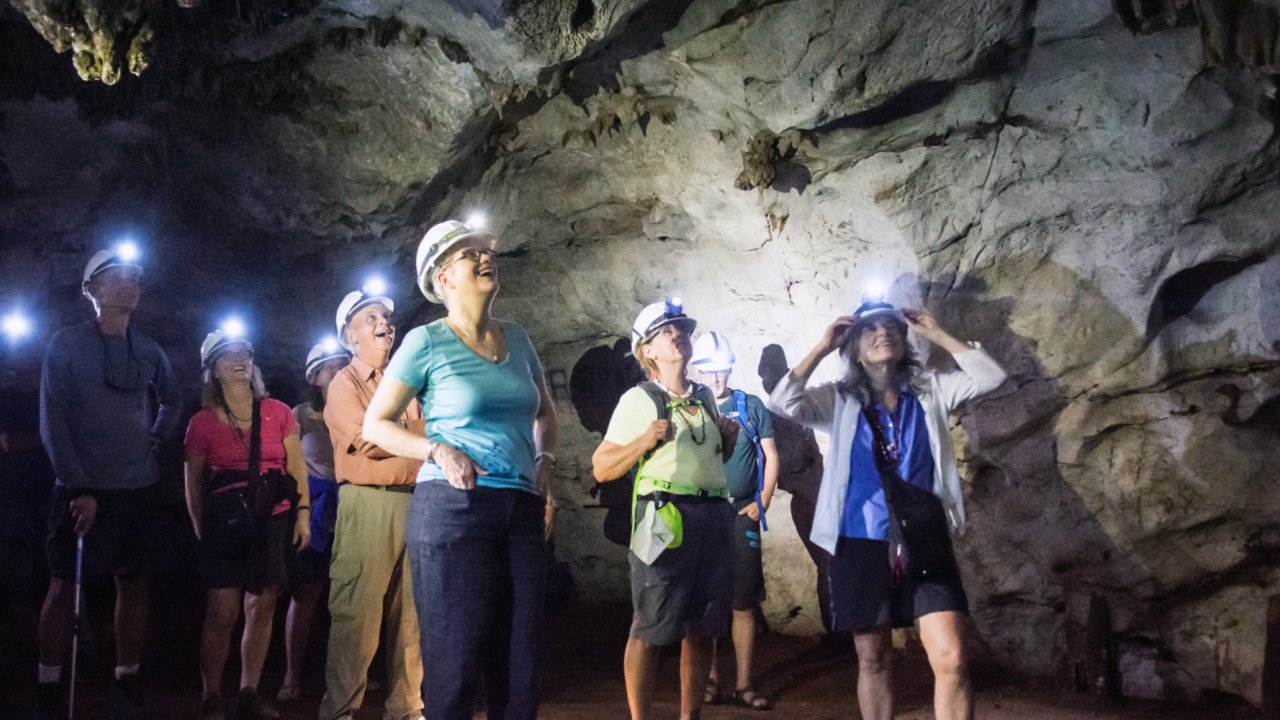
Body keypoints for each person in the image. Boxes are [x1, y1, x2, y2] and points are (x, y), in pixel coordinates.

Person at [767, 292, 1007, 720]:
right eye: (871, 330)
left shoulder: (930, 389)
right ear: (854, 348)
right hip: (860, 541)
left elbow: (990, 376)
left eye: (892, 327)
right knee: (874, 658)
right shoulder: (838, 399)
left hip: (924, 535)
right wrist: (822, 346)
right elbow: (782, 402)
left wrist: (937, 334)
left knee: (951, 659)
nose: (884, 334)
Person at [362, 219, 558, 720]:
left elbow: (545, 412)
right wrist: (436, 450)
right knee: (456, 662)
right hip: (454, 509)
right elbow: (376, 425)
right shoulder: (426, 342)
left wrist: (544, 462)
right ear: (443, 277)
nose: (485, 258)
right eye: (470, 254)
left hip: (519, 511)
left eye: (486, 251)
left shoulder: (518, 337)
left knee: (518, 664)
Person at [36, 245, 181, 720]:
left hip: (137, 487)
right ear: (91, 290)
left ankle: (127, 680)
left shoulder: (148, 348)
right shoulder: (66, 344)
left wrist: (156, 440)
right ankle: (49, 685)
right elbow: (52, 419)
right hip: (84, 487)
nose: (130, 284)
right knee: (64, 585)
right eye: (116, 277)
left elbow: (173, 400)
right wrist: (77, 485)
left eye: (135, 278)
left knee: (133, 583)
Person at [591, 299, 739, 720]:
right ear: (648, 350)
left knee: (704, 627)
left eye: (682, 328)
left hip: (711, 516)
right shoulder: (639, 400)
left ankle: (688, 715)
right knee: (651, 626)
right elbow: (602, 467)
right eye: (666, 331)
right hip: (664, 518)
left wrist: (725, 441)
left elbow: (708, 462)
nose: (679, 334)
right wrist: (642, 442)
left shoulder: (706, 397)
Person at [184, 327, 311, 720]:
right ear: (213, 370)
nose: (240, 360)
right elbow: (193, 481)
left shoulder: (279, 412)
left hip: (272, 515)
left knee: (263, 604)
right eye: (228, 356)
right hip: (227, 521)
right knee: (222, 609)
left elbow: (296, 466)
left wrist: (303, 514)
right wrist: (200, 528)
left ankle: (249, 692)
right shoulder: (202, 423)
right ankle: (211, 694)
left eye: (244, 354)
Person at [318, 287, 425, 720]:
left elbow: (407, 439)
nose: (383, 322)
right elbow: (369, 442)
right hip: (368, 504)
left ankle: (406, 709)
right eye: (370, 318)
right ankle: (340, 713)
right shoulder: (343, 385)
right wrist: (418, 432)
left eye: (385, 315)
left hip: (413, 501)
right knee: (357, 619)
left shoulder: (402, 384)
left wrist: (409, 433)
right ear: (349, 337)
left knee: (412, 619)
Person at [690, 331, 778, 711]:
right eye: (710, 371)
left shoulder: (750, 405)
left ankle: (743, 683)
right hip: (705, 516)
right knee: (710, 601)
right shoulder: (690, 407)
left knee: (743, 601)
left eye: (722, 370)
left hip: (742, 512)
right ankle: (709, 679)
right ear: (698, 371)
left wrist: (763, 499)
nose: (717, 379)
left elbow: (771, 456)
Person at [276, 340, 349, 702]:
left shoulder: (359, 412)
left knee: (351, 599)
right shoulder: (300, 415)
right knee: (306, 594)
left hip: (352, 511)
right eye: (330, 367)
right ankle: (291, 675)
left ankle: (347, 675)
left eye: (342, 364)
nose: (338, 371)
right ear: (315, 376)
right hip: (316, 512)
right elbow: (286, 466)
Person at [757, 344, 833, 642]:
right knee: (828, 565)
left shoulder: (785, 409)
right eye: (767, 375)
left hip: (815, 497)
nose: (769, 381)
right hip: (809, 498)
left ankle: (840, 631)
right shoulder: (780, 413)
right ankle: (838, 631)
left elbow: (798, 458)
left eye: (772, 374)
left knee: (829, 565)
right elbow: (797, 459)